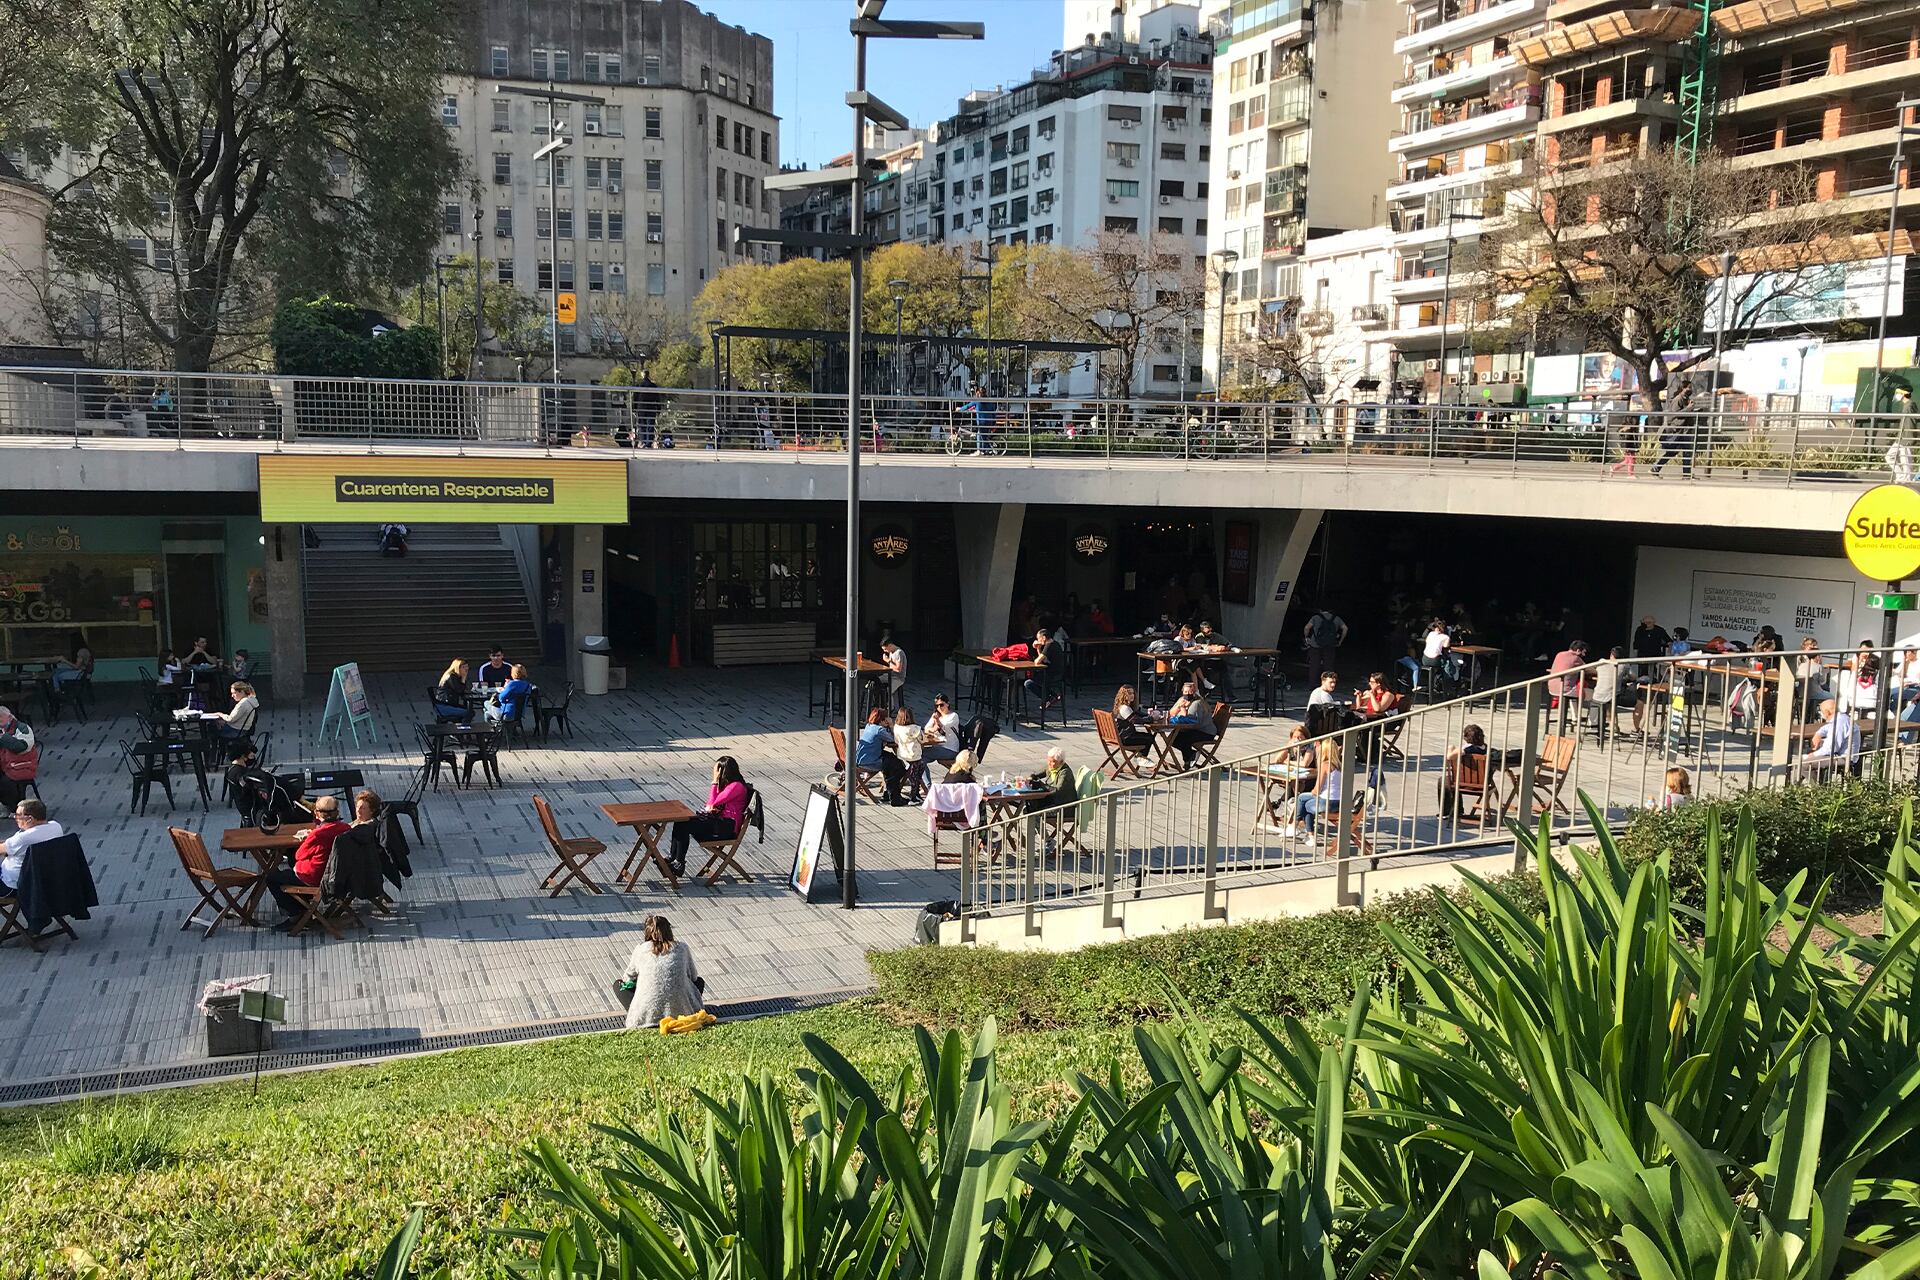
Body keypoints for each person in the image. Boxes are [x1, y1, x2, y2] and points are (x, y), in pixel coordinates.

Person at [264, 795, 349, 929]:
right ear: (337, 812)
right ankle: (303, 907)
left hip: (315, 877)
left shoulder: (318, 834)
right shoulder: (345, 829)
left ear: (317, 813)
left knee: (272, 878)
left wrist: (309, 836)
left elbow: (299, 855)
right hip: (336, 875)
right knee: (289, 872)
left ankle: (295, 915)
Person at [620, 914, 705, 1031]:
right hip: (683, 1012)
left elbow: (627, 978)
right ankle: (679, 1005)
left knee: (618, 985)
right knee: (700, 982)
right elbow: (694, 977)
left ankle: (642, 1012)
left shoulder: (640, 949)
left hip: (646, 1015)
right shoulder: (682, 948)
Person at [669, 757, 751, 875]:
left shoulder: (736, 786)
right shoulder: (731, 785)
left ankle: (679, 863)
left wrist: (714, 781)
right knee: (681, 821)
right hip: (722, 823)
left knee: (685, 824)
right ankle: (674, 858)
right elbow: (714, 803)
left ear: (723, 771)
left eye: (716, 771)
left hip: (727, 827)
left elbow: (712, 803)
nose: (715, 773)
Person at [1274, 740, 1342, 844]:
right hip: (1337, 801)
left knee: (1302, 799)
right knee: (1307, 803)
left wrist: (1313, 792)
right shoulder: (1339, 766)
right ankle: (1307, 834)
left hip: (1326, 801)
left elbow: (1317, 790)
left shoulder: (1325, 765)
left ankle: (1295, 827)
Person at [2, 798, 64, 895]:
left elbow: (2, 849)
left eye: (18, 815)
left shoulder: (22, 838)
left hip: (14, 885)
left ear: (30, 819)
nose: (15, 818)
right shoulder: (56, 826)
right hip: (47, 880)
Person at [855, 707, 907, 805]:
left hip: (861, 758)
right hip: (870, 762)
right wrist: (891, 725)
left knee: (893, 761)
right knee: (898, 767)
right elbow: (895, 740)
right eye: (886, 719)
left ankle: (888, 793)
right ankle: (894, 797)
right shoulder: (879, 730)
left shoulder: (869, 726)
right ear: (882, 720)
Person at [1166, 680, 1216, 770]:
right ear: (1182, 692)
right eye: (1185, 692)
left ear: (1194, 693)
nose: (1187, 694)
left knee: (1182, 739)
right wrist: (1179, 707)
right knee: (1173, 737)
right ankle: (1190, 756)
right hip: (1195, 729)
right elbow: (1171, 713)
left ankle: (1189, 758)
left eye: (1190, 692)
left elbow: (1190, 721)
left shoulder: (1196, 703)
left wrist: (1182, 711)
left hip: (1205, 732)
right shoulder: (1182, 699)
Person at [1802, 698, 1858, 777]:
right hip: (1838, 755)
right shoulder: (1840, 718)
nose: (1821, 714)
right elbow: (1826, 728)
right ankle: (1791, 784)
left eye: (1821, 711)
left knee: (1804, 764)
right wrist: (1818, 734)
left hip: (1843, 758)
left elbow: (1831, 748)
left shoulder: (1839, 723)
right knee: (1798, 768)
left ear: (1827, 712)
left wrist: (1812, 755)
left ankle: (1817, 787)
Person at [0, 707, 37, 810]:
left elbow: (21, 747)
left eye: (0, 719)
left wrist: (3, 738)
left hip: (23, 765)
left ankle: (14, 807)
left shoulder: (22, 728)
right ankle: (7, 805)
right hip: (6, 765)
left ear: (10, 717)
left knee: (5, 782)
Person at [1303, 605, 1348, 684]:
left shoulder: (1315, 617)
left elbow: (1307, 627)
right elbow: (1345, 628)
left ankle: (1313, 684)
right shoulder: (1336, 618)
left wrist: (1306, 637)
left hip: (1315, 644)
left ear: (1320, 609)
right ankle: (1329, 684)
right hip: (1330, 645)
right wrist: (1340, 641)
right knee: (1329, 665)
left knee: (1314, 665)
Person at [1024, 627, 1065, 711]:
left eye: (1038, 638)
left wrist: (1037, 647)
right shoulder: (1054, 643)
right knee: (1036, 677)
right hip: (1056, 673)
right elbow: (1044, 659)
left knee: (1028, 683)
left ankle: (1047, 698)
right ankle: (1054, 696)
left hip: (1052, 674)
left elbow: (1037, 661)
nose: (1038, 640)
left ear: (1044, 638)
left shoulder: (1049, 646)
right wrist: (1038, 648)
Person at [892, 707, 927, 801]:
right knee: (918, 771)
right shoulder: (914, 728)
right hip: (913, 755)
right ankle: (914, 795)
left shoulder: (896, 727)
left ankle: (915, 792)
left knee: (913, 772)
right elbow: (923, 740)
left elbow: (896, 740)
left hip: (902, 754)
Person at [921, 694, 963, 765]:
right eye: (937, 706)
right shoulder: (936, 715)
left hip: (950, 749)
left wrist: (936, 721)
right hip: (938, 746)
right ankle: (923, 776)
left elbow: (943, 726)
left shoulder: (953, 716)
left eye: (941, 705)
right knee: (920, 760)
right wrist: (933, 729)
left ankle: (918, 774)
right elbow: (926, 729)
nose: (939, 708)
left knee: (920, 754)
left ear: (948, 704)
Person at [880, 640, 908, 712]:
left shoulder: (899, 653)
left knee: (888, 690)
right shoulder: (891, 652)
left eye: (885, 649)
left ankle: (890, 707)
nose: (885, 651)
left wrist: (887, 661)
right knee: (877, 680)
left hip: (898, 677)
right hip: (891, 675)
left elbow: (898, 669)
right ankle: (880, 703)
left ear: (890, 645)